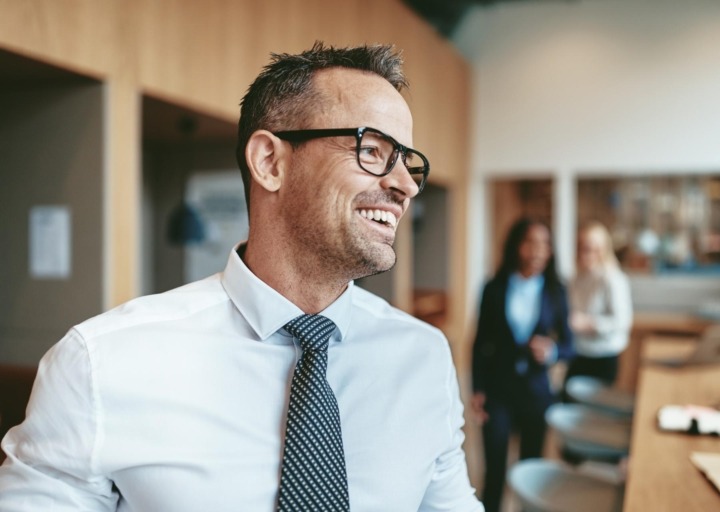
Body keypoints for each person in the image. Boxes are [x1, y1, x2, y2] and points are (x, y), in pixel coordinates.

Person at [0, 42, 482, 511]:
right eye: (373, 150)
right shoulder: (99, 364)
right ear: (270, 162)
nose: (404, 186)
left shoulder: (424, 358)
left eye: (408, 163)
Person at [470, 218, 573, 512]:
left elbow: (569, 344)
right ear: (516, 246)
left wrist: (552, 351)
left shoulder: (556, 290)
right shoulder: (493, 288)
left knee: (532, 473)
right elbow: (479, 344)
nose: (538, 251)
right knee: (494, 470)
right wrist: (477, 389)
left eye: (544, 244)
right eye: (530, 242)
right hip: (498, 391)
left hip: (536, 393)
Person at [565, 221, 633, 386]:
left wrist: (588, 324)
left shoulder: (613, 279)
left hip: (603, 354)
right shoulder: (576, 278)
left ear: (602, 250)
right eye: (581, 248)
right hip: (579, 351)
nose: (584, 254)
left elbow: (622, 322)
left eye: (590, 249)